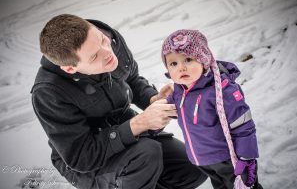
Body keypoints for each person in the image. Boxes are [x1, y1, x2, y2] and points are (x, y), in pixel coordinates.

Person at [31, 14, 208, 189]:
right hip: (91, 162)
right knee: (147, 154)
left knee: (194, 166)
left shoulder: (107, 37)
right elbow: (82, 156)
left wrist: (153, 99)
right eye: (94, 57)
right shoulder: (48, 92)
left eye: (102, 40)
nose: (107, 52)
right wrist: (140, 123)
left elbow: (130, 78)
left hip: (129, 136)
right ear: (70, 68)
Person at [160, 29, 263, 189]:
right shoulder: (180, 90)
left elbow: (243, 125)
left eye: (188, 59)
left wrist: (247, 157)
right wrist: (160, 108)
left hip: (228, 160)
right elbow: (175, 110)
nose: (181, 68)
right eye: (173, 63)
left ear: (204, 60)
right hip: (203, 161)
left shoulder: (222, 91)